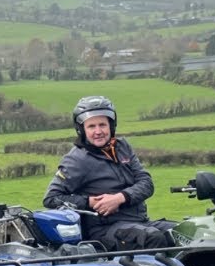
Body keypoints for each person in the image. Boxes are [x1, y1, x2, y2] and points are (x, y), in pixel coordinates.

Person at [43, 95, 172, 249]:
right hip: (105, 231)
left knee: (188, 231)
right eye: (91, 126)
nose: (98, 131)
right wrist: (89, 202)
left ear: (111, 126)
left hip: (139, 222)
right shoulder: (76, 160)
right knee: (151, 237)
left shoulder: (122, 147)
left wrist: (120, 197)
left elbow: (146, 183)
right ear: (82, 130)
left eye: (102, 125)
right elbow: (51, 198)